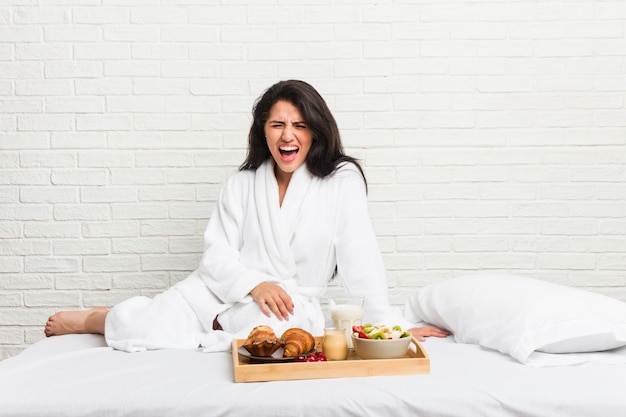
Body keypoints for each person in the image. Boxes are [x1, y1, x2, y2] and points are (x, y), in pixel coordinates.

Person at [45, 80, 448, 352]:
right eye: (277, 125)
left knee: (274, 336)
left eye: (299, 125)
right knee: (138, 328)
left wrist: (389, 330)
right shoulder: (242, 184)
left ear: (316, 132)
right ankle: (99, 319)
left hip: (287, 306)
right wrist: (254, 283)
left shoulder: (341, 181)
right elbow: (216, 256)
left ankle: (209, 330)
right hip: (221, 291)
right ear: (264, 132)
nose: (287, 135)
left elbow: (362, 259)